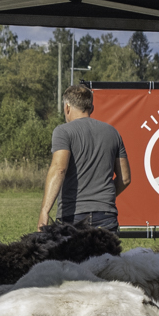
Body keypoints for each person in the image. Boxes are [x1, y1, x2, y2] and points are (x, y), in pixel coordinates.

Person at [39, 83, 129, 229]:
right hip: (106, 215)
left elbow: (59, 169)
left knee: (72, 253)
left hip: (73, 216)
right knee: (106, 253)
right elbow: (125, 178)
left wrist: (44, 211)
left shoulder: (63, 131)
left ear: (66, 107)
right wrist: (103, 199)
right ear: (91, 108)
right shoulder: (112, 132)